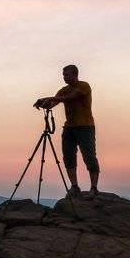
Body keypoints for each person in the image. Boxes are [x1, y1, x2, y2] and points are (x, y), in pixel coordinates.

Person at [33, 63, 99, 195]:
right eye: (64, 75)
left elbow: (69, 98)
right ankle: (74, 187)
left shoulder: (83, 86)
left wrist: (49, 98)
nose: (65, 77)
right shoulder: (63, 89)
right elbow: (54, 103)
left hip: (85, 127)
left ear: (75, 74)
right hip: (69, 128)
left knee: (89, 156)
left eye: (67, 75)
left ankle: (93, 188)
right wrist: (44, 104)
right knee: (68, 156)